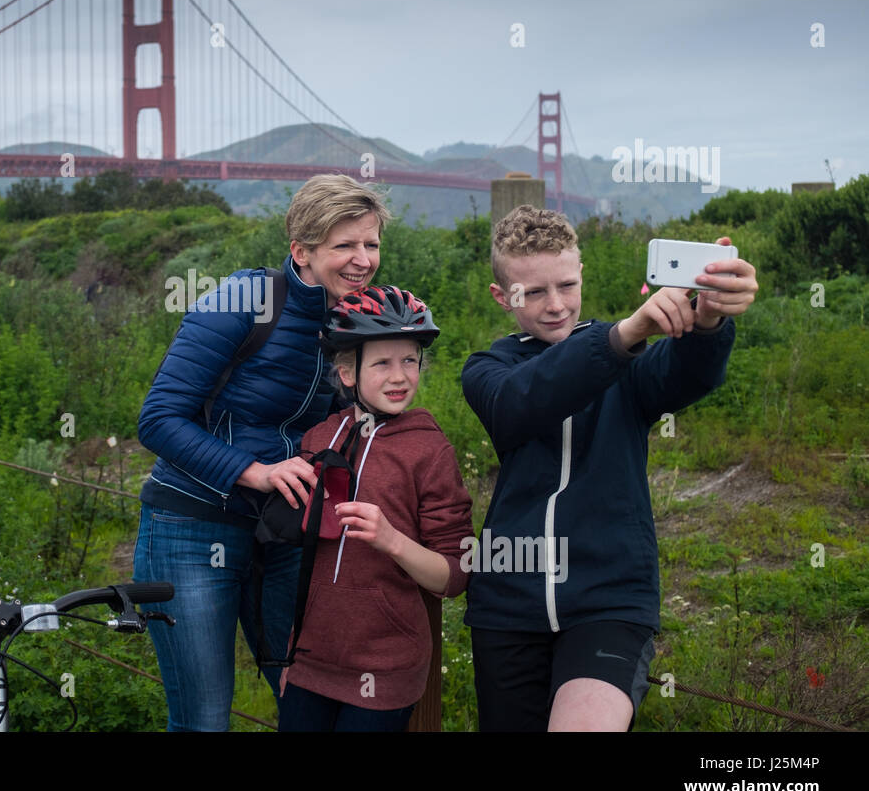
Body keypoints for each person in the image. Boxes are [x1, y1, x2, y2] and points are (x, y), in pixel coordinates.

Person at [461, 205, 758, 731]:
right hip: (507, 607)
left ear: (582, 276)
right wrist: (623, 336)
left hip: (609, 602)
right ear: (500, 295)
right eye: (532, 292)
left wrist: (709, 319)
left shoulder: (630, 362)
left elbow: (684, 375)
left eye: (566, 285)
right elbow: (520, 403)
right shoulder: (487, 369)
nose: (555, 305)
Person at [134, 174, 391, 731]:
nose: (362, 259)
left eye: (370, 243)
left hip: (284, 532)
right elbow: (157, 420)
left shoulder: (355, 317)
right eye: (343, 245)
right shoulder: (245, 300)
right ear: (301, 250)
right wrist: (253, 471)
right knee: (205, 718)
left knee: (302, 703)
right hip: (192, 525)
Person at [278, 285, 474, 732]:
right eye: (382, 363)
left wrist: (392, 541)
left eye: (409, 360)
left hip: (383, 669)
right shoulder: (318, 439)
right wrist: (291, 653)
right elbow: (307, 562)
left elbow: (455, 575)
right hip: (310, 662)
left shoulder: (430, 451)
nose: (400, 375)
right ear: (347, 372)